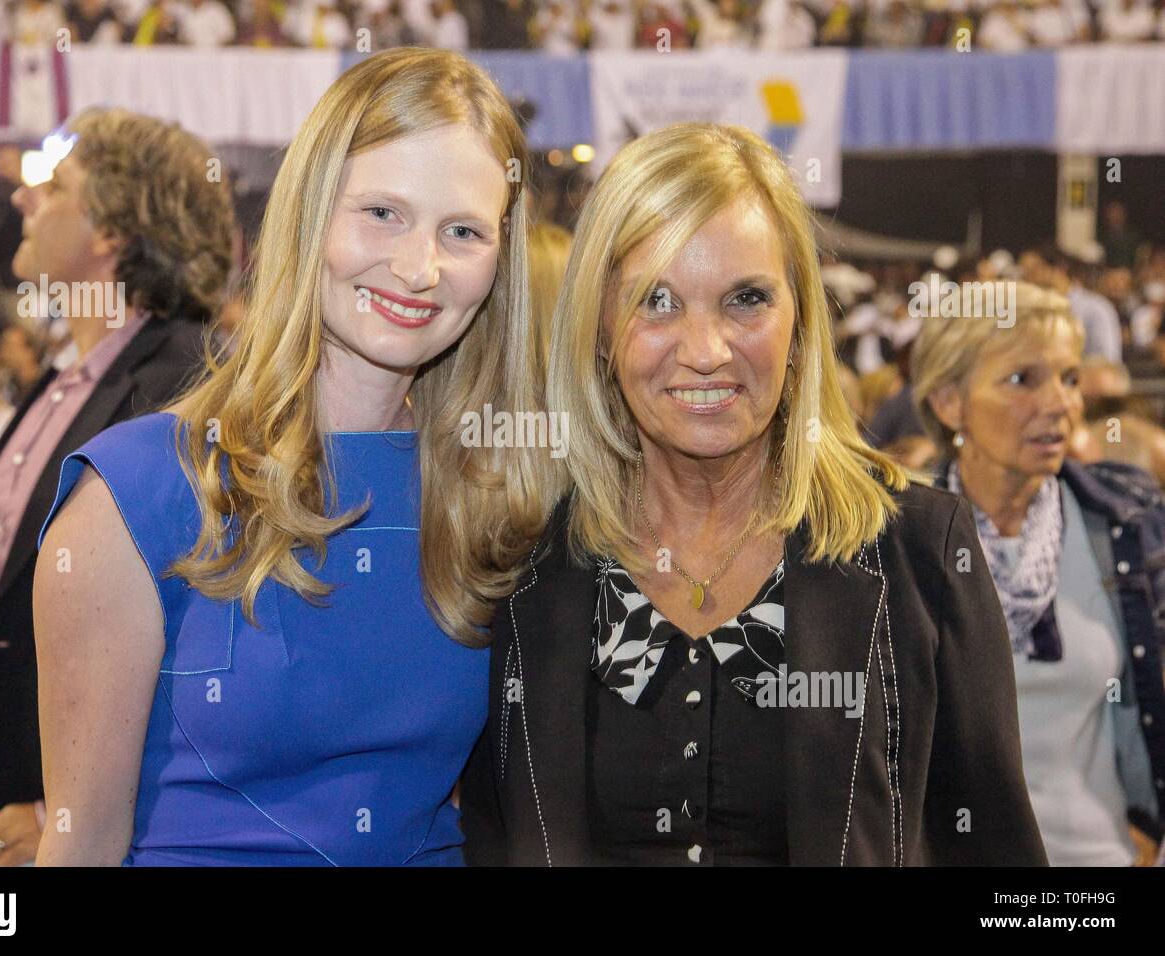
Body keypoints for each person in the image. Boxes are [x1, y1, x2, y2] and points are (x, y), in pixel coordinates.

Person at [460, 123, 1047, 867]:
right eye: (657, 301)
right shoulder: (528, 557)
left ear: (799, 319)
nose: (706, 351)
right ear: (600, 328)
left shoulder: (918, 551)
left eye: (746, 300)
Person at [32, 47, 549, 866]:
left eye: (463, 231)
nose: (419, 268)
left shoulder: (499, 497)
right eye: (382, 212)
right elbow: (81, 844)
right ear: (311, 215)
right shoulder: (135, 494)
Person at [0, 108, 236, 868]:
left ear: (114, 231)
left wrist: (60, 811)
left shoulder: (184, 385)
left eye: (52, 186)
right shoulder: (64, 380)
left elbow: (205, 641)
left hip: (72, 826)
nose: (22, 200)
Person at [912, 281, 1165, 866]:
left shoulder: (1126, 525)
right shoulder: (896, 540)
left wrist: (1151, 826)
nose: (1061, 404)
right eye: (1023, 380)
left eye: (1070, 378)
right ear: (950, 401)